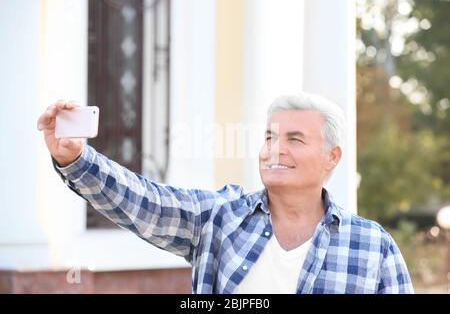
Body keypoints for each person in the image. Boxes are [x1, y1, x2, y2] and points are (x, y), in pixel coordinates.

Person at [37, 92, 414, 294]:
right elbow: (144, 201)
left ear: (332, 157)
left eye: (294, 139)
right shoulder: (219, 217)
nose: (274, 150)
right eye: (270, 137)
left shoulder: (371, 245)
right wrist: (77, 157)